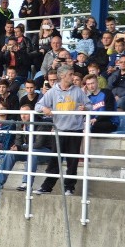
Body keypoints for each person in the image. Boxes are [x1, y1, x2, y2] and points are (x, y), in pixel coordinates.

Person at [33, 65, 91, 196]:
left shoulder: (78, 91)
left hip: (75, 131)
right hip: (59, 130)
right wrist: (45, 109)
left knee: (72, 161)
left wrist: (85, 109)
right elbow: (38, 106)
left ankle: (69, 187)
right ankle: (47, 187)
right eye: (70, 74)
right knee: (55, 160)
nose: (73, 77)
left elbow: (89, 105)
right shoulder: (53, 91)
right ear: (62, 76)